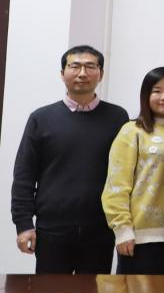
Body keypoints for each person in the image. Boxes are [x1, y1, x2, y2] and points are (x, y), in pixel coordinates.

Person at [12, 45, 130, 274]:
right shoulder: (41, 118)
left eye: (90, 66)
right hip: (52, 229)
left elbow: (125, 173)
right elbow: (24, 175)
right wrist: (24, 224)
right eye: (75, 66)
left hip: (100, 229)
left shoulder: (117, 117)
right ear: (62, 73)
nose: (82, 73)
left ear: (101, 74)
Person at [102, 66, 164, 274]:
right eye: (156, 91)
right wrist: (122, 230)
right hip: (138, 237)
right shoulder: (132, 131)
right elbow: (116, 184)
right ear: (146, 95)